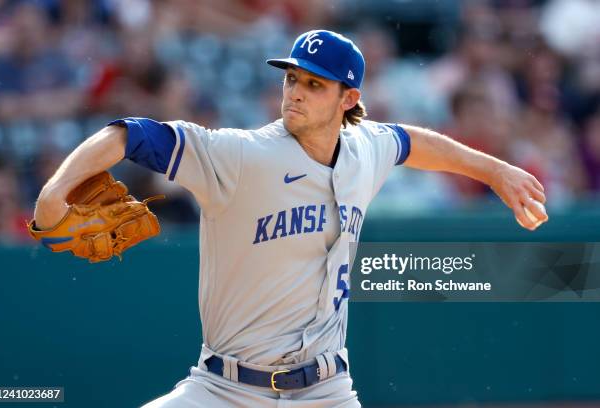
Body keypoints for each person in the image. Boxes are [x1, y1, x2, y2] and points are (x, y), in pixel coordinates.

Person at [33, 30, 548, 407]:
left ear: (349, 100)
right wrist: (54, 195)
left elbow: (413, 142)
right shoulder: (241, 156)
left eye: (315, 85)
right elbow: (130, 134)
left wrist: (497, 172)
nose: (296, 91)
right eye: (292, 79)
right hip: (224, 390)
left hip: (327, 391)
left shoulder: (365, 148)